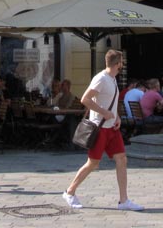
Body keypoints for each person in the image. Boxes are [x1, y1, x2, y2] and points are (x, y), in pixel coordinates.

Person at [62, 49, 143, 211]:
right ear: (117, 63)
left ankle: (123, 200)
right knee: (93, 163)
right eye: (122, 62)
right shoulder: (101, 78)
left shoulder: (112, 79)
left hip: (112, 128)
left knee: (122, 159)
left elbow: (110, 102)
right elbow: (85, 99)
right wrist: (104, 113)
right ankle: (69, 192)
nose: (123, 65)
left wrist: (116, 116)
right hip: (100, 129)